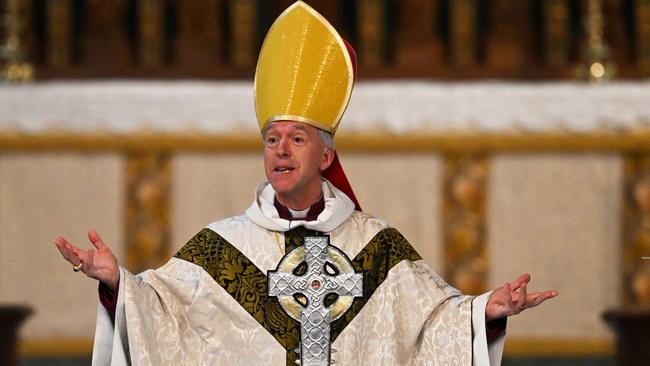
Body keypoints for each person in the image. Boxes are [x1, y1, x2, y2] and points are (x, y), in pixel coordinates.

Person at [54, 2, 557, 365]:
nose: (281, 149)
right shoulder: (221, 247)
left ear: (326, 155)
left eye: (297, 138)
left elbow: (433, 326)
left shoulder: (375, 246)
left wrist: (483, 313)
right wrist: (118, 282)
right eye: (272, 138)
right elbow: (159, 316)